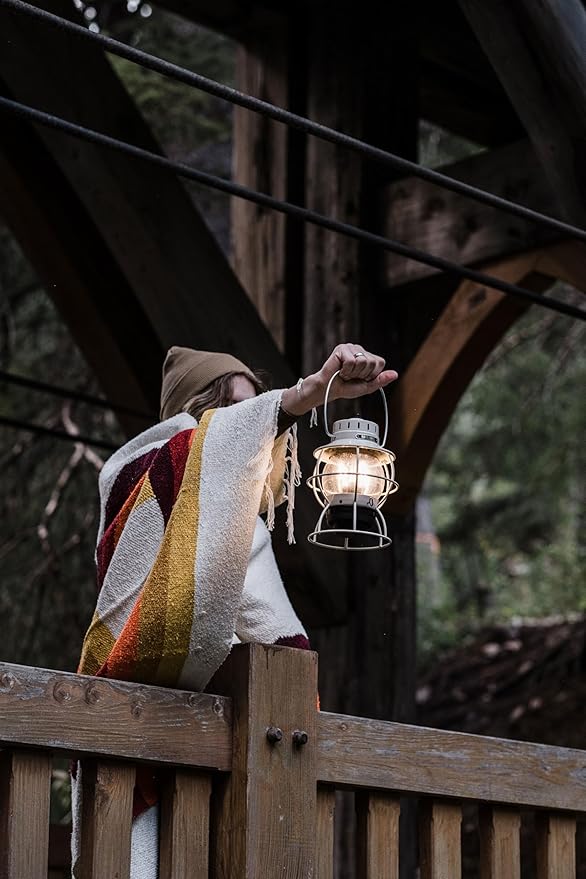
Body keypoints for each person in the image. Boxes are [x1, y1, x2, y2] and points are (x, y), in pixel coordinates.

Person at [71, 342, 397, 878]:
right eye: (239, 411)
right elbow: (279, 638)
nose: (256, 429)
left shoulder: (212, 513)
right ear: (201, 415)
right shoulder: (153, 468)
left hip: (195, 742)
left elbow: (270, 635)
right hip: (130, 724)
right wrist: (302, 396)